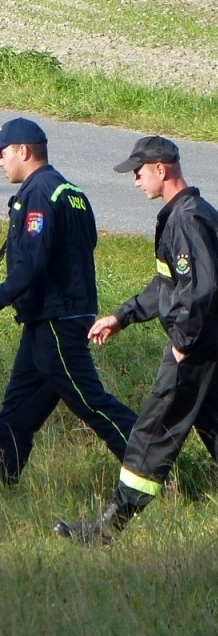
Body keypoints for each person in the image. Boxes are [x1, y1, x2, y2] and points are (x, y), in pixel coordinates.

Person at [54, 136, 218, 542]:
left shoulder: (187, 219)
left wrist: (184, 342)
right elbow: (167, 285)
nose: (136, 179)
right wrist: (122, 316)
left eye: (139, 171)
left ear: (162, 168)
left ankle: (108, 528)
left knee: (153, 430)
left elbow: (201, 289)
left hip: (198, 343)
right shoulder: (198, 211)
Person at [0, 118, 138, 482]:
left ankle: (152, 464)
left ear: (23, 151)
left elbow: (30, 261)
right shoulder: (70, 191)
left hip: (56, 320)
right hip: (53, 317)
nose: (1, 163)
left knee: (90, 401)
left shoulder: (39, 193)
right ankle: (4, 478)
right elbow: (84, 244)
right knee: (18, 411)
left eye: (3, 154)